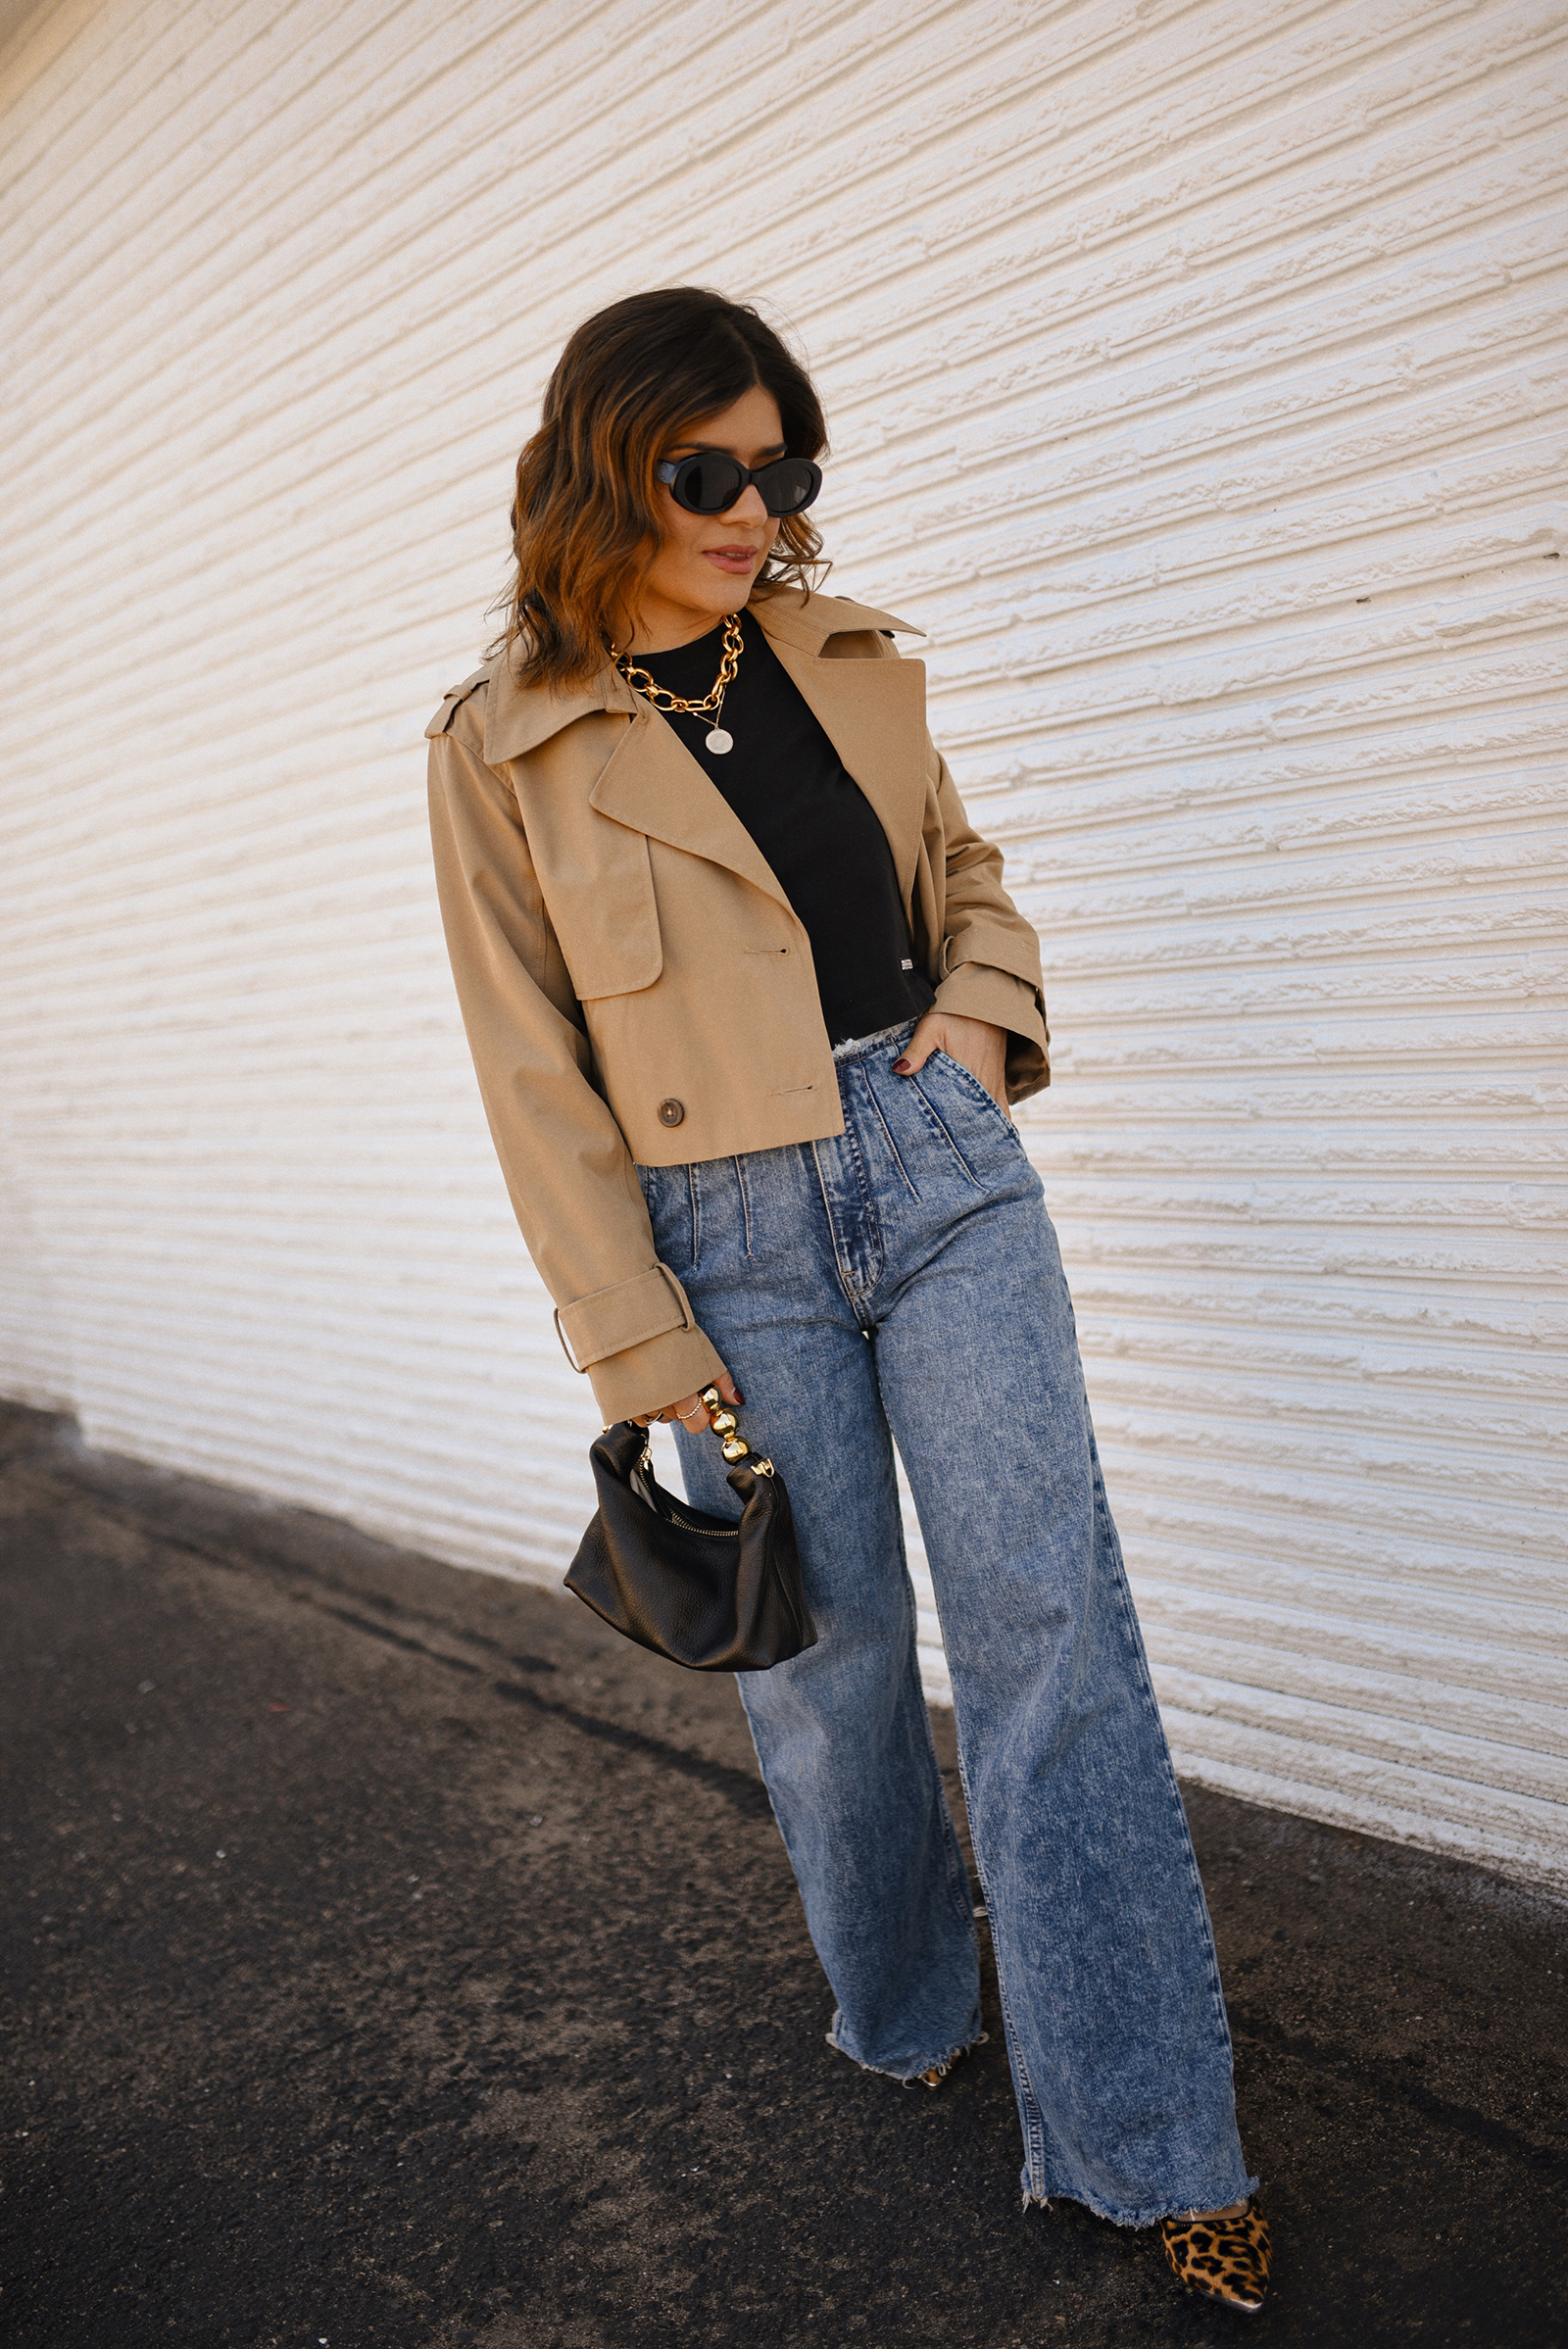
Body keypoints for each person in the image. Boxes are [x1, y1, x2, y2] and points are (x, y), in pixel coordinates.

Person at [426, 286, 1272, 2316]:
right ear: (600, 463)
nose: (750, 506)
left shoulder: (849, 660)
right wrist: (635, 1338)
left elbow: (962, 873)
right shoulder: (500, 748)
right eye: (702, 467)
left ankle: (1149, 2133)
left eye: (778, 467)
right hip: (715, 1234)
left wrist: (976, 1023)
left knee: (1054, 1622)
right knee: (826, 1668)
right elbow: (530, 1074)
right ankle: (906, 2000)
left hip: (933, 1168)